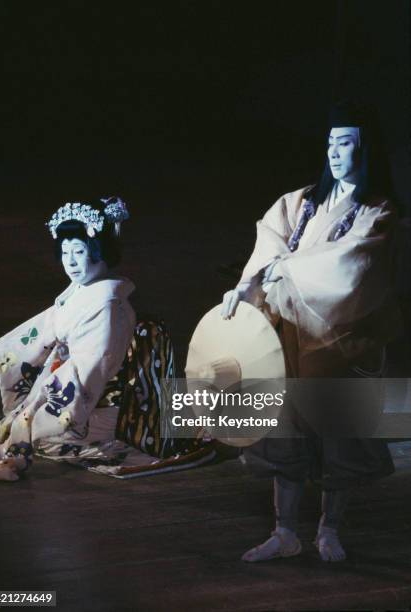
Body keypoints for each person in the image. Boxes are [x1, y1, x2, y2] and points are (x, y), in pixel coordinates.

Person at [221, 101, 400, 562]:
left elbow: (354, 264)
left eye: (344, 143)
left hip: (338, 339)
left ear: (364, 149)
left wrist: (287, 269)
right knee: (284, 430)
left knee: (335, 432)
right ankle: (285, 531)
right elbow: (267, 247)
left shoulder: (378, 211)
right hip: (290, 335)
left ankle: (329, 529)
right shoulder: (299, 202)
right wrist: (244, 289)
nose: (334, 153)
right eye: (330, 143)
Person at [0, 197, 136, 481]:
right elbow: (40, 332)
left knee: (36, 432)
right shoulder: (80, 291)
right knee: (17, 422)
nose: (71, 262)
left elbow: (91, 369)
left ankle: (27, 433)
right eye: (65, 253)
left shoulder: (107, 304)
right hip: (62, 376)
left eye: (79, 251)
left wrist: (43, 404)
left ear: (99, 251)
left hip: (91, 404)